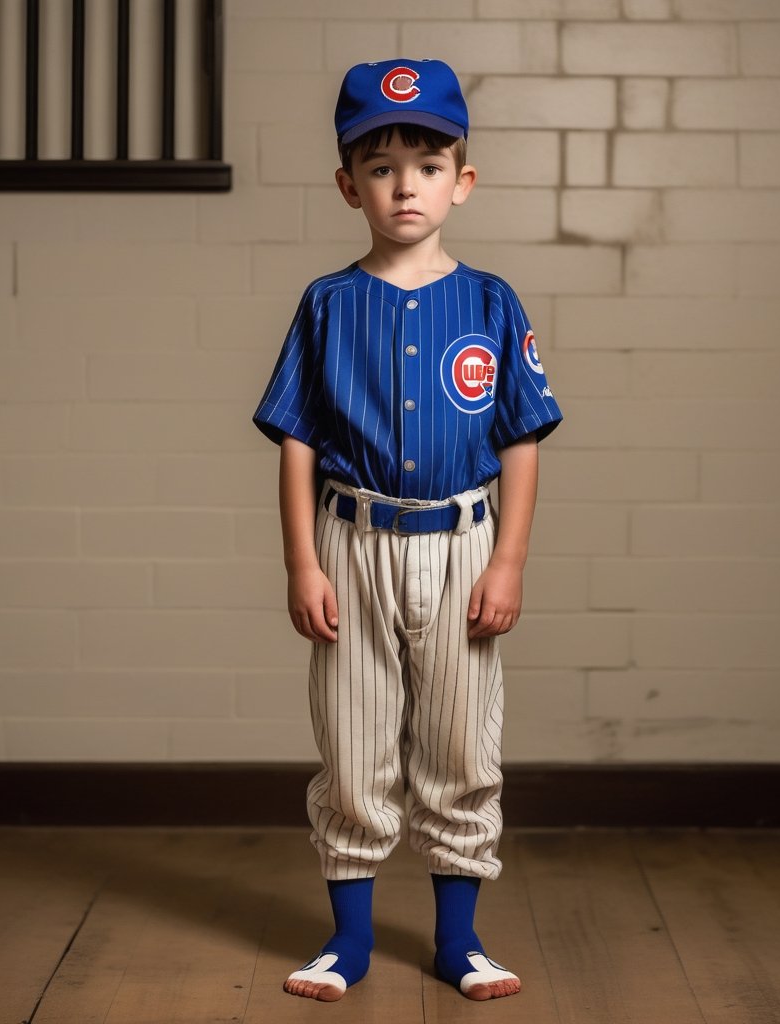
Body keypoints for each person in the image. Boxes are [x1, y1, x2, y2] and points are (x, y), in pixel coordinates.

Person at [252, 57, 563, 1003]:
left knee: (462, 747)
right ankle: (347, 942)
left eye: (426, 164)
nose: (405, 185)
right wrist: (302, 561)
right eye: (381, 166)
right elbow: (297, 444)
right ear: (350, 185)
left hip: (464, 541)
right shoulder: (328, 304)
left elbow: (520, 440)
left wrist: (508, 559)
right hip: (352, 541)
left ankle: (458, 941)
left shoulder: (492, 303)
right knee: (354, 746)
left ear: (461, 181)